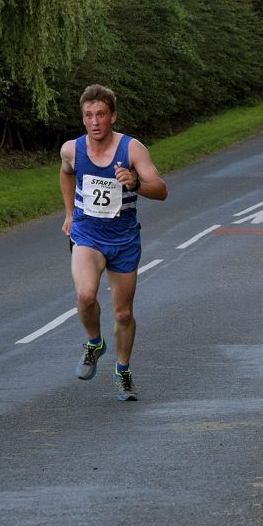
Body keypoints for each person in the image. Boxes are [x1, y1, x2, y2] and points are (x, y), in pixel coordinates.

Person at [60, 84, 168, 401]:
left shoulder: (132, 150)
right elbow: (65, 173)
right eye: (88, 115)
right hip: (87, 234)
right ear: (83, 119)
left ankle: (122, 371)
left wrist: (135, 182)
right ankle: (94, 342)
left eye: (101, 115)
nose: (95, 122)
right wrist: (69, 213)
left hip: (123, 239)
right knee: (85, 293)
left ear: (113, 116)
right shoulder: (72, 149)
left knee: (122, 314)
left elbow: (161, 189)